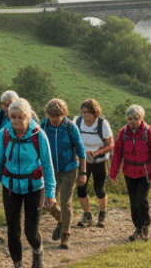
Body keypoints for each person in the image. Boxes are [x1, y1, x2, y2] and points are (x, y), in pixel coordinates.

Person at [0, 98, 56, 268]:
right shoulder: (3, 135)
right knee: (12, 231)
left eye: (21, 117)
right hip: (10, 186)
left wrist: (50, 193)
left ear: (28, 117)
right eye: (13, 117)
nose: (17, 121)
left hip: (34, 187)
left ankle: (38, 250)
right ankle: (18, 264)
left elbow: (48, 167)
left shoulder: (38, 135)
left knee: (30, 231)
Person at [109, 105, 151, 242]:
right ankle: (138, 228)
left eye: (136, 118)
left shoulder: (148, 132)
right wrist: (113, 173)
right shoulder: (123, 133)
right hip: (129, 172)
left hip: (145, 172)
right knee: (133, 202)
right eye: (130, 119)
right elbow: (117, 154)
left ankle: (145, 226)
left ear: (141, 118)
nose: (133, 121)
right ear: (127, 119)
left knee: (141, 199)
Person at [40, 99, 86, 249]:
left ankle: (65, 235)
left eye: (57, 115)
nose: (54, 119)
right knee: (47, 203)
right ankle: (62, 220)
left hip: (69, 169)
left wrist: (82, 173)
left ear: (64, 114)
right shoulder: (43, 126)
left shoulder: (70, 127)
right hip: (50, 170)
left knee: (65, 203)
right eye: (51, 115)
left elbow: (81, 150)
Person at [74, 98, 113, 228]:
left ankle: (102, 213)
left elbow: (110, 145)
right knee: (81, 188)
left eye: (88, 112)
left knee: (99, 189)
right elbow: (73, 140)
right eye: (83, 112)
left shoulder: (102, 124)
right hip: (83, 160)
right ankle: (87, 215)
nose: (85, 115)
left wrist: (95, 153)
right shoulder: (78, 122)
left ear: (95, 113)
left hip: (99, 161)